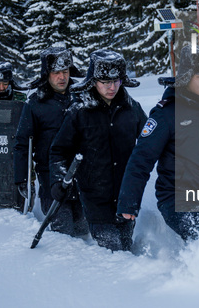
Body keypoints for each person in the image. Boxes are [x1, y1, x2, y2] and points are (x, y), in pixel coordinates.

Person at [117, 46, 199, 241]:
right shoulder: (166, 114)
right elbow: (141, 159)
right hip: (178, 198)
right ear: (187, 77)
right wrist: (128, 202)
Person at [50, 49, 147, 251]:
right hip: (95, 196)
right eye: (105, 82)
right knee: (112, 249)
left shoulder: (132, 108)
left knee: (125, 247)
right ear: (94, 81)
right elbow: (59, 151)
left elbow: (150, 142)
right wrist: (58, 181)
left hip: (126, 194)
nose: (112, 87)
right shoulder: (79, 112)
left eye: (117, 81)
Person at [13, 47, 88, 237]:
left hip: (83, 174)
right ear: (47, 74)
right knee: (63, 230)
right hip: (50, 176)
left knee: (84, 228)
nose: (62, 77)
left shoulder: (82, 96)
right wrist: (21, 178)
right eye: (56, 73)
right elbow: (22, 143)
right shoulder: (35, 103)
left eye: (65, 71)